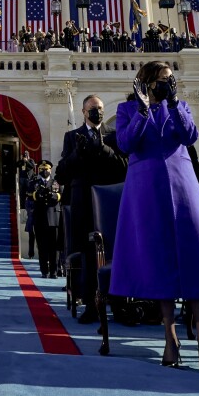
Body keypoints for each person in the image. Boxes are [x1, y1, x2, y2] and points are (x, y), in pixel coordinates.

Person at [111, 61, 199, 375]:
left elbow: (190, 135)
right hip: (146, 187)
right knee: (160, 258)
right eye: (161, 80)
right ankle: (170, 335)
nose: (166, 84)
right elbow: (126, 143)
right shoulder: (128, 109)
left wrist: (175, 104)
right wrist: (143, 108)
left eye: (170, 80)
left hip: (183, 184)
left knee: (194, 255)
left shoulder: (181, 106)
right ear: (146, 82)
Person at [55, 94, 125, 323]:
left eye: (101, 108)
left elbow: (123, 168)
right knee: (87, 252)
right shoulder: (72, 137)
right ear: (84, 112)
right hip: (83, 202)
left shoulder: (113, 137)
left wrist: (103, 149)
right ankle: (90, 304)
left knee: (113, 251)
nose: (98, 112)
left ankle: (117, 301)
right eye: (93, 109)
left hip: (108, 202)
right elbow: (62, 173)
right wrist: (77, 154)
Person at [29, 161, 62, 278]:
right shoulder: (34, 182)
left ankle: (54, 271)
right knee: (42, 246)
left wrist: (53, 195)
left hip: (53, 218)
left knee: (54, 247)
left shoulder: (56, 182)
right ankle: (44, 271)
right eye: (42, 169)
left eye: (47, 169)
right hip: (40, 218)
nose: (44, 171)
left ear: (50, 170)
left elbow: (61, 195)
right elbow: (28, 194)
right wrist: (37, 195)